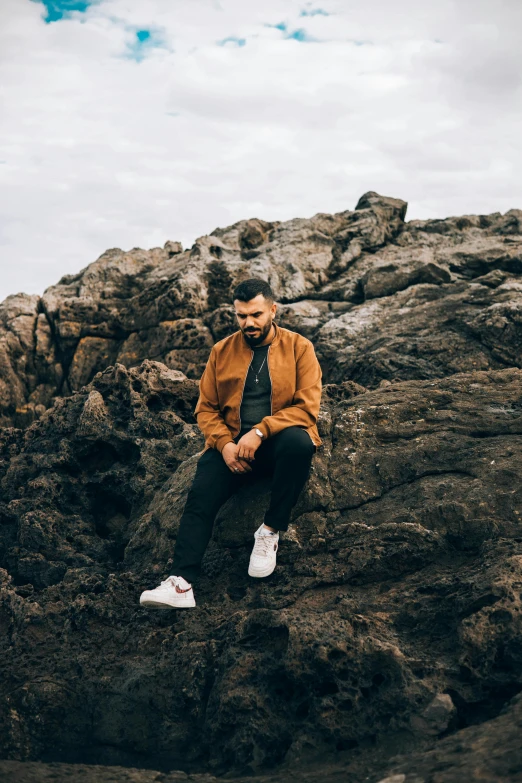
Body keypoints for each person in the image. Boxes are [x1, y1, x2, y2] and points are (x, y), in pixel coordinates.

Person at [139, 278, 322, 609]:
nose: (249, 323)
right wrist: (224, 444)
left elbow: (307, 406)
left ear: (272, 310)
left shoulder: (300, 348)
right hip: (232, 449)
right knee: (200, 493)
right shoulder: (221, 351)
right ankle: (181, 583)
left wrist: (261, 431)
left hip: (277, 441)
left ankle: (269, 531)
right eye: (241, 316)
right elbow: (205, 408)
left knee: (300, 444)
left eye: (255, 314)